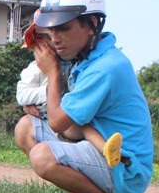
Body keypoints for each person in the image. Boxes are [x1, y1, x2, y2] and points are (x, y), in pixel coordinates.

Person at [14, 0, 152, 193]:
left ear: (91, 23)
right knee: (25, 128)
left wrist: (53, 72)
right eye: (51, 30)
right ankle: (79, 192)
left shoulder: (105, 67)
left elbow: (58, 122)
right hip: (94, 147)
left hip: (123, 168)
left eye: (63, 28)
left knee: (42, 157)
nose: (55, 38)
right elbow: (66, 119)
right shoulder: (84, 59)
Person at [15, 20, 123, 180]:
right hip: (49, 118)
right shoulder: (34, 69)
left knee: (86, 128)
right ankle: (100, 154)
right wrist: (48, 91)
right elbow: (22, 95)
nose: (53, 40)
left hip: (67, 116)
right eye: (45, 38)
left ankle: (109, 151)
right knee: (84, 128)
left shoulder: (69, 64)